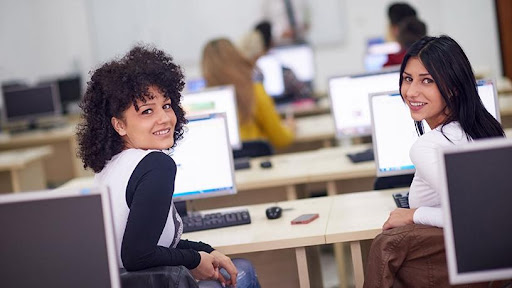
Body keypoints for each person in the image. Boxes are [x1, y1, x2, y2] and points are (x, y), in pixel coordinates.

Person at [76, 45, 260, 288]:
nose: (164, 118)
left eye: (166, 105)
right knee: (243, 269)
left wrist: (205, 252)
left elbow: (149, 245)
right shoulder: (157, 165)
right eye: (146, 111)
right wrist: (195, 260)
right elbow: (137, 254)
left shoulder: (109, 168)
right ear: (119, 125)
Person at [363, 35, 505, 287]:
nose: (411, 92)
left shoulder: (427, 146)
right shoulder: (485, 130)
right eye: (407, 79)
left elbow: (474, 217)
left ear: (453, 86)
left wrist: (414, 214)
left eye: (426, 80)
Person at [201, 38, 295, 149]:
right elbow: (281, 139)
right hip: (256, 160)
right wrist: (290, 128)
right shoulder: (255, 92)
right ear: (237, 58)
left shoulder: (203, 101)